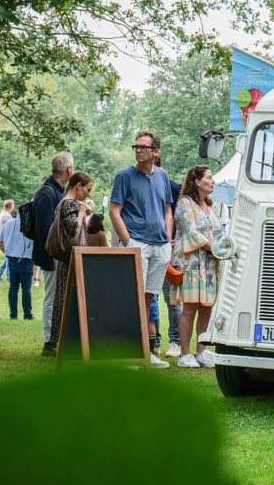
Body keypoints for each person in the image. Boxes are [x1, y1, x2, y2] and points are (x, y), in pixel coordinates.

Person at [109, 131, 172, 369]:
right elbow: (114, 210)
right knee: (133, 298)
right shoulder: (124, 176)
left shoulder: (163, 176)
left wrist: (167, 237)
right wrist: (128, 242)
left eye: (144, 147)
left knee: (148, 298)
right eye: (136, 146)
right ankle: (128, 353)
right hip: (138, 243)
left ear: (155, 152)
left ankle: (144, 354)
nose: (139, 150)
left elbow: (167, 209)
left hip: (160, 245)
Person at [170, 166, 223, 369]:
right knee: (190, 308)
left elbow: (219, 231)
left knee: (206, 307)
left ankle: (201, 352)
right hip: (192, 264)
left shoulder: (212, 206)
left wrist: (221, 248)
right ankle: (185, 353)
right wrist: (214, 247)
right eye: (209, 177)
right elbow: (190, 232)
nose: (213, 181)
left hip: (210, 264)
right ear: (197, 181)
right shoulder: (185, 203)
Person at [33, 152, 73, 357]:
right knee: (51, 296)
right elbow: (44, 230)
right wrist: (56, 253)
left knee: (59, 296)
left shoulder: (56, 191)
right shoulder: (47, 193)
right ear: (68, 170)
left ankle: (58, 338)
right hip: (52, 255)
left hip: (56, 255)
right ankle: (49, 341)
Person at [48, 172, 94, 345]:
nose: (88, 193)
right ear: (78, 186)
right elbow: (73, 227)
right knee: (65, 299)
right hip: (69, 258)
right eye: (87, 189)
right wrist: (82, 212)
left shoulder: (65, 203)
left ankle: (63, 340)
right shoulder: (68, 204)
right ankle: (62, 340)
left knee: (65, 298)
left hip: (67, 258)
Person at [155, 155, 183, 358]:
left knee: (172, 299)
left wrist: (176, 242)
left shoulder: (175, 188)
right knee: (148, 297)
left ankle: (175, 341)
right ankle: (152, 340)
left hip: (170, 251)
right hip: (148, 247)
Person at [0, 210, 35, 320]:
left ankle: (13, 314)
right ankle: (27, 315)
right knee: (26, 288)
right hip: (26, 259)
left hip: (11, 258)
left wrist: (7, 252)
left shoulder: (8, 224)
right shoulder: (30, 226)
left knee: (13, 288)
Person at [0, 200, 14, 281]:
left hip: (3, 239)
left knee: (8, 257)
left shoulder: (1, 214)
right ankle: (9, 278)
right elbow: (10, 229)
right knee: (9, 258)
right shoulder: (7, 216)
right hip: (7, 239)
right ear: (11, 207)